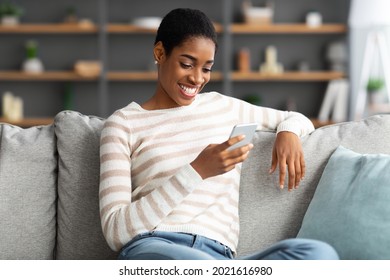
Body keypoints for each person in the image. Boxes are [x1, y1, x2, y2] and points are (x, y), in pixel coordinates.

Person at [99, 8, 338, 260]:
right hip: (156, 248)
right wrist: (197, 170)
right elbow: (116, 232)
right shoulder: (123, 124)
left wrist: (288, 132)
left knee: (319, 254)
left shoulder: (223, 107)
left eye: (206, 68)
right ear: (160, 53)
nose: (196, 78)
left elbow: (295, 118)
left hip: (219, 258)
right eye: (187, 64)